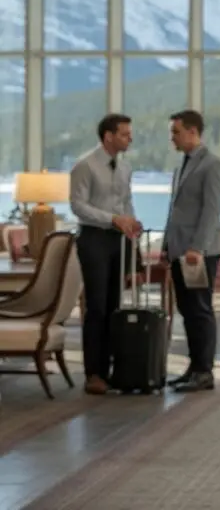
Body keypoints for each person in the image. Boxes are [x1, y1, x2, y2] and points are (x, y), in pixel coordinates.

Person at [70, 113, 142, 395]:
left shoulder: (125, 168)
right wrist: (113, 219)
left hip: (118, 240)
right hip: (94, 239)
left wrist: (132, 225)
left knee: (114, 306)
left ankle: (112, 370)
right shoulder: (85, 165)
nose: (130, 138)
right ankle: (93, 373)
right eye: (125, 134)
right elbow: (77, 206)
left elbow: (126, 202)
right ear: (108, 136)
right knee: (96, 306)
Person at [161, 109, 220, 393]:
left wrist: (197, 248)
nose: (172, 138)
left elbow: (211, 211)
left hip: (199, 253)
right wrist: (167, 245)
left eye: (175, 132)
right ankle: (193, 367)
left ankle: (204, 372)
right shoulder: (182, 166)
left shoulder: (212, 165)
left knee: (200, 310)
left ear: (192, 131)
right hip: (180, 250)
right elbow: (175, 211)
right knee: (187, 310)